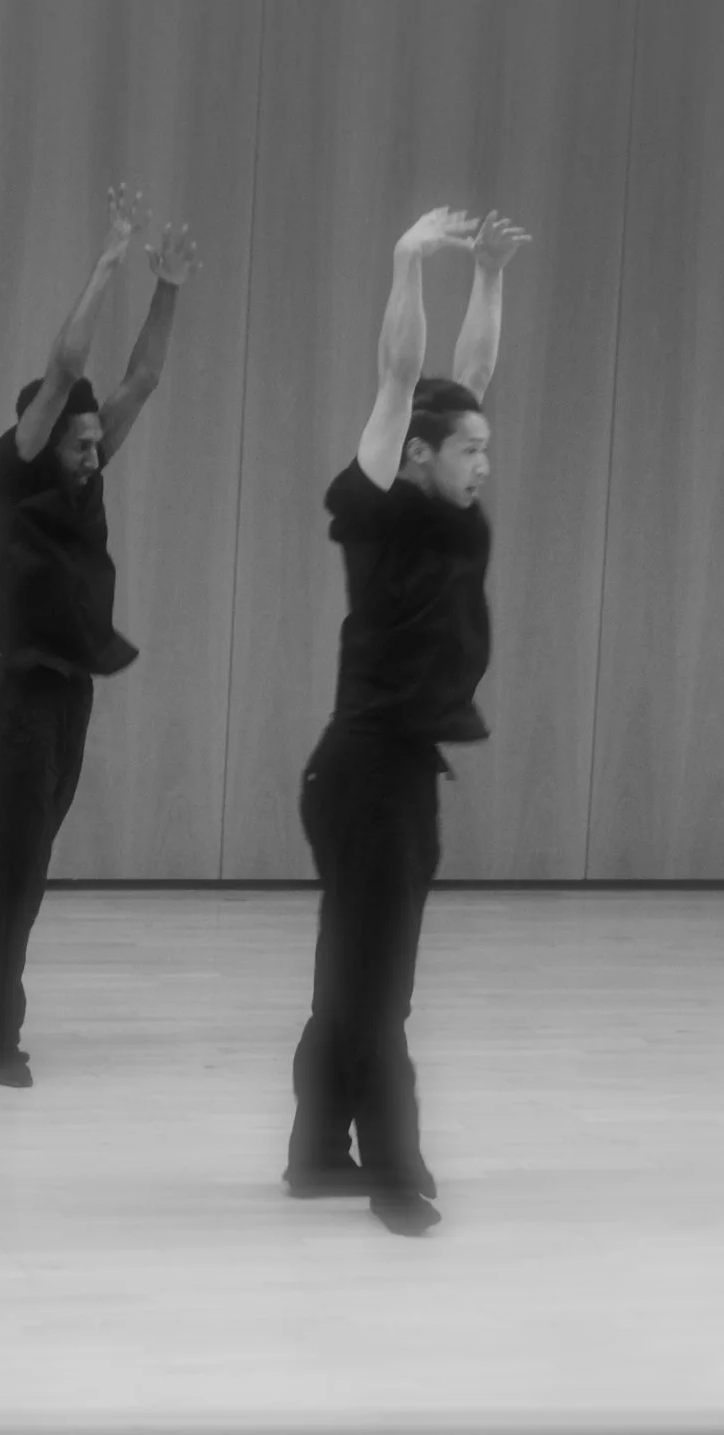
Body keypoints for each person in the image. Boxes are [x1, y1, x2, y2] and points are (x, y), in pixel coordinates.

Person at [284, 205, 531, 1233]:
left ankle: (315, 1153)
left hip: (393, 769)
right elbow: (401, 380)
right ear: (418, 453)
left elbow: (467, 373)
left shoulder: (453, 510)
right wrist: (403, 267)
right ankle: (393, 1172)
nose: (483, 460)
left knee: (353, 973)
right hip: (365, 774)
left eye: (483, 445)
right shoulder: (379, 502)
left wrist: (486, 275)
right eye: (467, 447)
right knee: (377, 983)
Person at [0, 183, 202, 1088]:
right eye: (81, 443)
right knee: (20, 875)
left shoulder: (85, 477)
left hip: (68, 698)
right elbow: (66, 368)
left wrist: (167, 288)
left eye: (96, 443)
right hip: (15, 700)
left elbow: (144, 380)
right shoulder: (16, 475)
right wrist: (110, 257)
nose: (95, 454)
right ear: (44, 439)